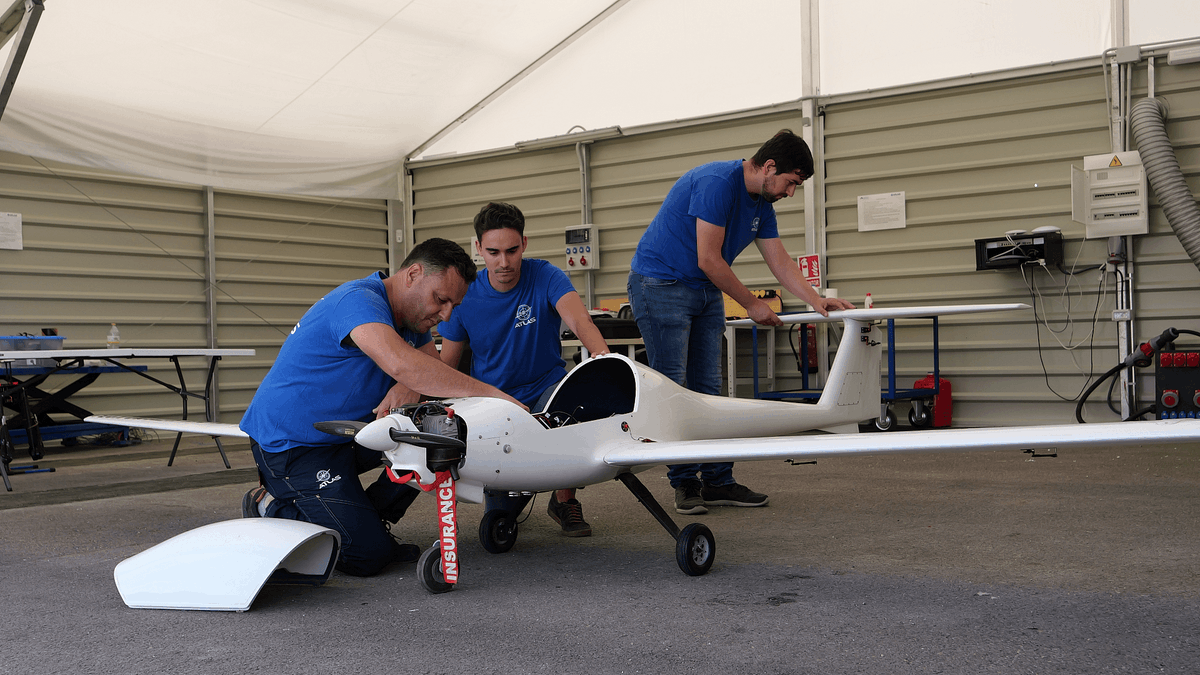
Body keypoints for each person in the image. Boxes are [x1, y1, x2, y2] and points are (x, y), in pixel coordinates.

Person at [238, 237, 524, 577]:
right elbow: (409, 366)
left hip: (344, 436)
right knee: (366, 557)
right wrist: (494, 395)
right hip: (292, 448)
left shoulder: (409, 322)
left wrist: (410, 383)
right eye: (440, 300)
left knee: (435, 440)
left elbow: (429, 373)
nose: (445, 314)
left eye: (452, 307)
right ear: (413, 274)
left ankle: (368, 521)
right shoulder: (358, 301)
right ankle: (268, 504)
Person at [627, 129, 855, 515]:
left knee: (710, 387)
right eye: (791, 183)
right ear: (769, 167)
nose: (790, 192)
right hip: (660, 283)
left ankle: (717, 480)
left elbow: (780, 260)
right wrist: (750, 304)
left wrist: (816, 299)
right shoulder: (717, 183)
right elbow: (709, 258)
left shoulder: (761, 205)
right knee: (673, 385)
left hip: (703, 289)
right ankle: (685, 484)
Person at [437, 202, 611, 537]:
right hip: (495, 403)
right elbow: (447, 366)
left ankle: (564, 500)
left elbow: (579, 319)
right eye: (493, 252)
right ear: (478, 249)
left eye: (512, 250)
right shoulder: (464, 294)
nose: (504, 262)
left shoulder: (545, 274)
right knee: (502, 514)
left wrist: (603, 358)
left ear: (524, 245)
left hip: (546, 390)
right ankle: (514, 494)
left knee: (575, 404)